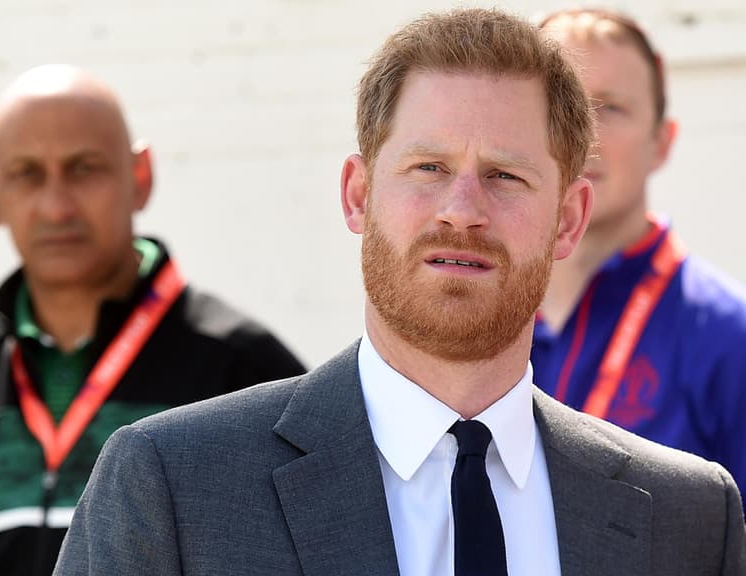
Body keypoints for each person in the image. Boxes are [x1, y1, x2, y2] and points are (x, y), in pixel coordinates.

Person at [55, 9, 745, 576]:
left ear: (568, 219)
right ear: (358, 195)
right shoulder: (175, 485)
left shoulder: (688, 517)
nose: (462, 210)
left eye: (505, 176)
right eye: (428, 167)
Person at [0, 65, 306, 576]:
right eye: (27, 174)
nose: (57, 206)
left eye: (84, 168)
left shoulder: (243, 368)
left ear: (140, 176)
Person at [531, 8, 746, 502]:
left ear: (662, 142)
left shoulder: (729, 339)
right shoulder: (475, 318)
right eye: (561, 103)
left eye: (610, 108)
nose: (584, 133)